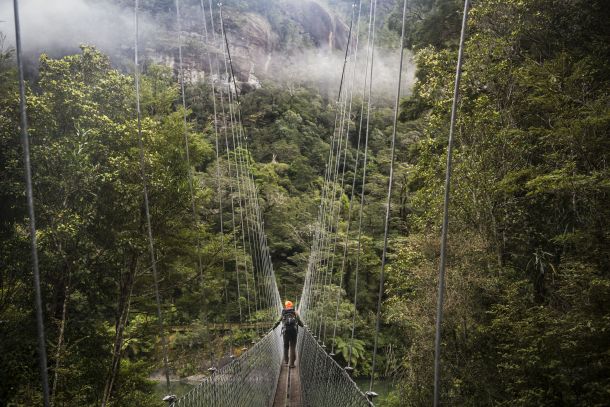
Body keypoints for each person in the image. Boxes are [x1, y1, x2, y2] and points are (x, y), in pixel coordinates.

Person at [273, 300, 304, 368]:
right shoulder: (295, 313)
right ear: (292, 306)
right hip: (293, 332)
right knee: (292, 347)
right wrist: (303, 326)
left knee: (286, 346)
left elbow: (278, 321)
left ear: (286, 306)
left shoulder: (283, 313)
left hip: (285, 332)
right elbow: (299, 322)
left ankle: (286, 360)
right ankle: (291, 364)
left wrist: (273, 327)